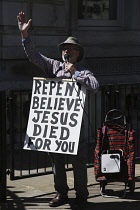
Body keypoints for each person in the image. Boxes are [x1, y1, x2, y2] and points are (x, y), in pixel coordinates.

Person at [17, 11, 99, 209]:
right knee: (57, 160)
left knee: (78, 161)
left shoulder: (83, 70)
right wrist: (25, 36)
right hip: (56, 126)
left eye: (71, 49)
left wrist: (75, 73)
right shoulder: (53, 67)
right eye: (64, 49)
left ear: (78, 53)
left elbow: (95, 85)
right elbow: (34, 57)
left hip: (74, 126)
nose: (66, 51)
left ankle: (81, 195)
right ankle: (61, 192)